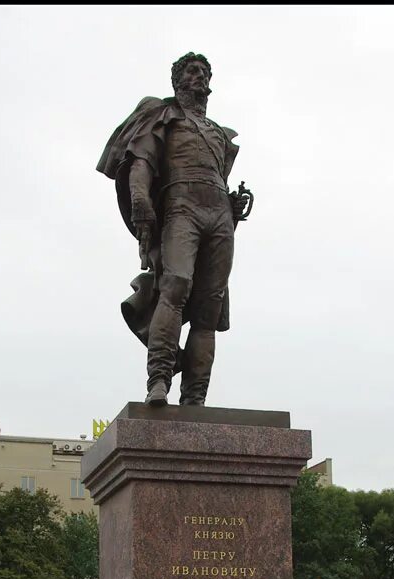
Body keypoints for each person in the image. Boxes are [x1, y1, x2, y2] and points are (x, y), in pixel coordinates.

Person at [97, 52, 250, 406]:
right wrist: (140, 202)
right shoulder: (162, 115)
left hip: (219, 214)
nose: (199, 76)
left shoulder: (218, 134)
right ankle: (159, 379)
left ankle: (195, 397)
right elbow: (140, 162)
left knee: (208, 310)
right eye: (192, 71)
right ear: (178, 81)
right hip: (180, 206)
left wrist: (232, 206)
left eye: (204, 72)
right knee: (176, 285)